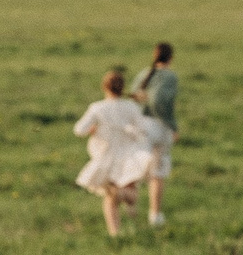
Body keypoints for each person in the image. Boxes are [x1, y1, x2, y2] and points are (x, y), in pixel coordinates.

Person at [72, 68, 157, 238]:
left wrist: (93, 129)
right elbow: (144, 129)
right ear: (122, 87)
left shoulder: (97, 108)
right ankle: (122, 200)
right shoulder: (131, 106)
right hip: (128, 155)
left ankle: (115, 234)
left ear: (104, 87)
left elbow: (79, 130)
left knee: (110, 199)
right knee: (132, 194)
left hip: (106, 155)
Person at [132, 41, 179, 226]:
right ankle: (155, 215)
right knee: (157, 172)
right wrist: (173, 125)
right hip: (160, 126)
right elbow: (162, 103)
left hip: (142, 124)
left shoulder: (144, 74)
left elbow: (135, 95)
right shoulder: (170, 77)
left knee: (137, 169)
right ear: (171, 58)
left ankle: (130, 209)